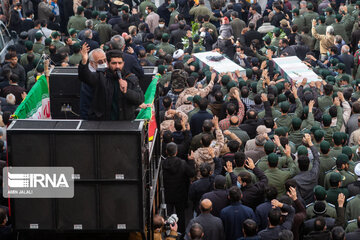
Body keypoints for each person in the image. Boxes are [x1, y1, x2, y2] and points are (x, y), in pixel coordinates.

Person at [78, 44, 144, 120]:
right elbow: (85, 77)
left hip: (124, 122)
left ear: (123, 63)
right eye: (114, 63)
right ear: (108, 64)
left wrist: (126, 92)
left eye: (120, 63)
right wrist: (84, 62)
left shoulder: (130, 78)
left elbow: (140, 99)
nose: (117, 66)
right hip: (105, 122)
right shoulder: (101, 76)